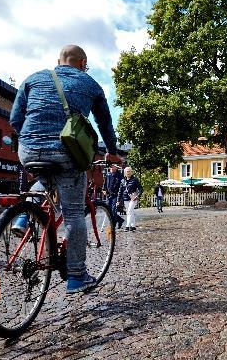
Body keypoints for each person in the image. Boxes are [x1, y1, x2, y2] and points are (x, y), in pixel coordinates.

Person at [10, 44, 121, 294]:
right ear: (83, 63)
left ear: (58, 61)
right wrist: (111, 151)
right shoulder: (90, 83)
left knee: (45, 177)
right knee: (72, 214)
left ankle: (24, 215)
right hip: (65, 151)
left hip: (28, 147)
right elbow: (104, 123)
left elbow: (15, 119)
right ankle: (77, 276)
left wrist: (31, 139)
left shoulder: (33, 78)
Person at [117, 167, 142, 231]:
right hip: (125, 199)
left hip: (133, 198)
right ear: (125, 173)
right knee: (131, 212)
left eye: (129, 171)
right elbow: (120, 191)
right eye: (127, 171)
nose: (128, 172)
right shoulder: (123, 181)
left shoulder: (135, 180)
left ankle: (127, 226)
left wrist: (138, 195)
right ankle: (133, 226)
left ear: (131, 172)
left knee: (129, 211)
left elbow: (141, 188)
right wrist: (118, 200)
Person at [103, 164, 123, 229]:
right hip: (108, 194)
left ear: (116, 168)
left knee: (114, 210)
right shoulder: (108, 174)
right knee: (108, 210)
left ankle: (113, 225)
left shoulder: (119, 175)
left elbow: (121, 186)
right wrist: (104, 190)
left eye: (113, 166)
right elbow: (105, 183)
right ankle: (120, 220)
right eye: (110, 166)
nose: (111, 167)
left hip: (116, 195)